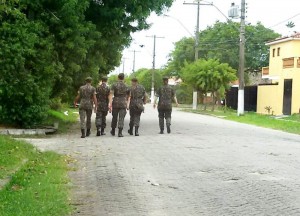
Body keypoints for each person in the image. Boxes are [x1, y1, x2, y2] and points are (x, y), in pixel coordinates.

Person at [108, 73, 130, 137]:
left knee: (114, 117)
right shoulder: (126, 86)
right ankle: (120, 132)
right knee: (121, 117)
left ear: (118, 77)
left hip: (116, 102)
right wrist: (126, 100)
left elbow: (111, 94)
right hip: (123, 103)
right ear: (124, 78)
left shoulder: (114, 85)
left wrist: (110, 104)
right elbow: (129, 95)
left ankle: (113, 131)